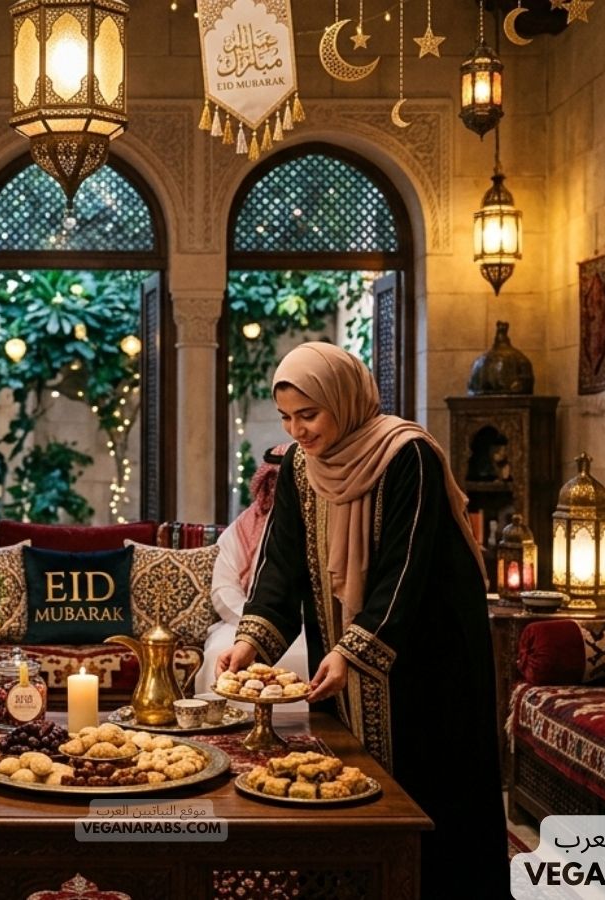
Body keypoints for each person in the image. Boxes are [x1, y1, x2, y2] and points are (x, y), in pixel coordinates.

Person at [216, 341, 508, 894]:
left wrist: (352, 651)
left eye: (309, 414)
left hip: (428, 649)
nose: (297, 430)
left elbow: (406, 568)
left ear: (344, 400)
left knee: (430, 788)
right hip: (347, 640)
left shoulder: (407, 455)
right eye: (286, 417)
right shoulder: (300, 464)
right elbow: (281, 565)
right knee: (343, 777)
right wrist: (250, 640)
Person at [199, 444, 309, 698]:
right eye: (274, 481)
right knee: (219, 653)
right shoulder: (241, 529)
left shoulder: (323, 523)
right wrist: (257, 625)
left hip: (310, 627)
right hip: (243, 620)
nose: (281, 489)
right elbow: (223, 589)